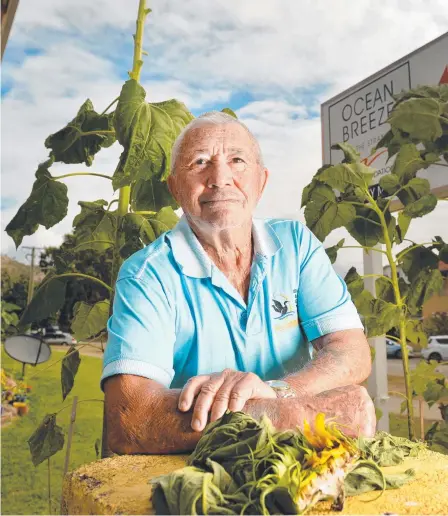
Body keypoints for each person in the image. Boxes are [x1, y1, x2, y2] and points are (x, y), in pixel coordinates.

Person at [102, 111, 375, 455]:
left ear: (261, 181)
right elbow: (130, 419)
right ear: (174, 187)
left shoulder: (296, 244)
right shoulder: (147, 274)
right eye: (200, 162)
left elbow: (351, 350)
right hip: (197, 474)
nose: (220, 178)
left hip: (297, 463)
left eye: (237, 160)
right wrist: (280, 414)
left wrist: (276, 391)